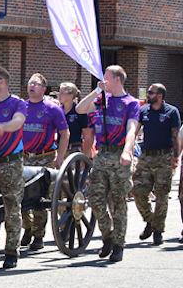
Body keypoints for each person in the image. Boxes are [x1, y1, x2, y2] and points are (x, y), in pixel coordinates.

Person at [75, 65, 140, 263]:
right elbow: (80, 108)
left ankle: (118, 244)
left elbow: (131, 129)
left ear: (117, 79)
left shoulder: (130, 103)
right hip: (102, 154)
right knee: (95, 199)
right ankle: (107, 236)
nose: (103, 80)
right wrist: (97, 90)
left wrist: (128, 151)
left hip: (119, 154)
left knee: (118, 202)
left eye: (106, 78)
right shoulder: (103, 99)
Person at [0, 67, 27, 266]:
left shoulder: (17, 103)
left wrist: (3, 127)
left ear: (2, 82)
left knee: (12, 208)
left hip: (11, 163)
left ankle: (11, 251)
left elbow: (18, 122)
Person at [20, 73, 69, 250]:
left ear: (43, 89)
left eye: (36, 83)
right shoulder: (21, 107)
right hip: (24, 156)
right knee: (19, 196)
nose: (31, 86)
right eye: (29, 83)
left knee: (39, 197)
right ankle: (27, 228)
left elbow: (65, 133)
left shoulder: (52, 109)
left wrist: (60, 156)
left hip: (44, 156)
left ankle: (38, 235)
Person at [132, 83, 179, 246]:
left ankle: (158, 230)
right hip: (145, 157)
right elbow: (136, 130)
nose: (148, 95)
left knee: (161, 195)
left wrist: (174, 158)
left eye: (151, 93)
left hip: (164, 157)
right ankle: (150, 221)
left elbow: (175, 136)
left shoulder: (171, 112)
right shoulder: (144, 110)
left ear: (159, 96)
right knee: (138, 191)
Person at [59, 82, 94, 157]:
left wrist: (86, 156)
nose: (59, 95)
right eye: (59, 92)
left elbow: (87, 135)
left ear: (71, 96)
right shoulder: (58, 111)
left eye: (62, 93)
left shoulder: (79, 111)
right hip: (60, 150)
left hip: (75, 150)